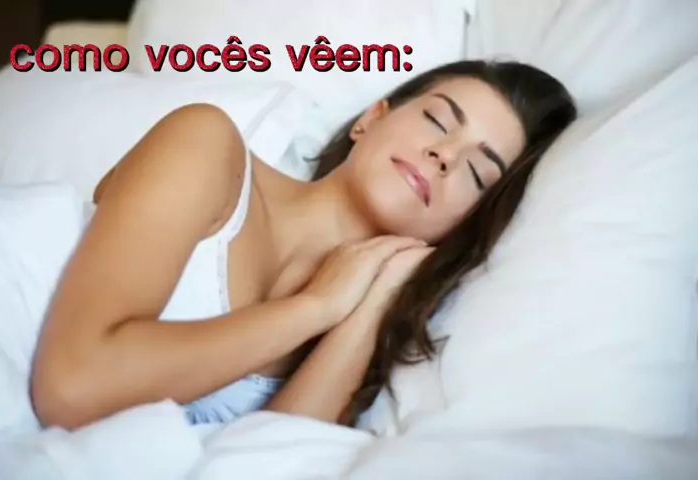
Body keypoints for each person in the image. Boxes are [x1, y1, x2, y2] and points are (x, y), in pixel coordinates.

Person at [29, 59, 577, 430]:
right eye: (437, 120)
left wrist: (378, 297)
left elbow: (270, 462)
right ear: (371, 119)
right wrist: (312, 306)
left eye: (478, 173)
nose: (445, 156)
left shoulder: (365, 311)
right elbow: (73, 386)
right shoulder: (208, 146)